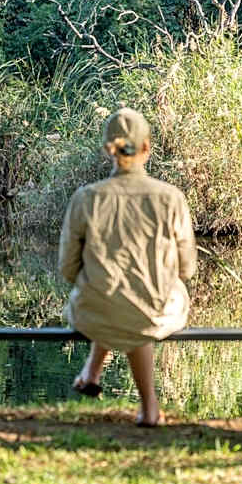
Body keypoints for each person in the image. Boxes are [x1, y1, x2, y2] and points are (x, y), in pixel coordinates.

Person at [58, 107, 197, 427]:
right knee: (144, 296)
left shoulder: (86, 198)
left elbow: (67, 268)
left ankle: (92, 370)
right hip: (153, 310)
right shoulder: (171, 198)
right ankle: (150, 407)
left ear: (108, 149)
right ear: (147, 147)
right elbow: (187, 269)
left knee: (112, 289)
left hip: (97, 308)